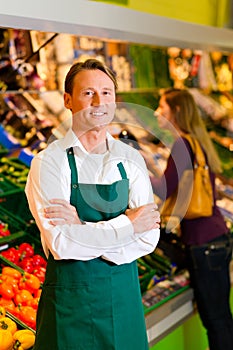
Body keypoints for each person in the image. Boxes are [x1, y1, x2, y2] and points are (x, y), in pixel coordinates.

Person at [25, 58, 160, 350]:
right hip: (71, 308)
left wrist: (82, 228)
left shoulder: (131, 159)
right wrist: (128, 223)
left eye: (107, 92)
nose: (99, 101)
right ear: (68, 100)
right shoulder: (48, 162)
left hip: (123, 302)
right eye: (88, 93)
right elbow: (62, 244)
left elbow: (149, 237)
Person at [150, 88, 233, 350]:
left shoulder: (182, 143)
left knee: (216, 320)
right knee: (222, 317)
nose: (156, 113)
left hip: (203, 242)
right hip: (216, 237)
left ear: (175, 111)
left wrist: (136, 170)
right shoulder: (197, 142)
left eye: (162, 107)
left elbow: (165, 187)